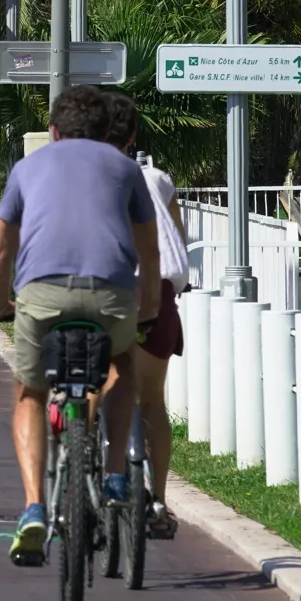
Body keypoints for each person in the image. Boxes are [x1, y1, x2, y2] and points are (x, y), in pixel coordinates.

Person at [0, 85, 161, 567]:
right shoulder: (126, 168)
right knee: (123, 363)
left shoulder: (27, 169)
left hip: (42, 294)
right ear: (105, 130)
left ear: (54, 131)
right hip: (110, 293)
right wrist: (146, 308)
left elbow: (1, 251)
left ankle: (33, 510)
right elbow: (149, 251)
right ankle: (112, 477)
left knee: (29, 392)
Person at [105, 92, 188, 540]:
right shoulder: (156, 177)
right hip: (160, 295)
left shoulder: (91, 176)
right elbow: (175, 234)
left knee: (100, 386)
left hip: (111, 291)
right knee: (152, 401)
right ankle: (157, 499)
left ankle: (99, 470)